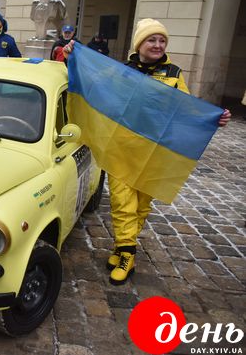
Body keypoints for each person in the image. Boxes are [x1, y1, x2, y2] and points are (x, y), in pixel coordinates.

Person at [62, 18, 232, 285]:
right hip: (122, 148)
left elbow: (186, 107)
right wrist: (72, 57)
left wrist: (213, 118)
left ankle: (122, 247)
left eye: (162, 40)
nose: (158, 44)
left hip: (155, 152)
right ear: (139, 44)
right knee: (122, 203)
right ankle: (128, 254)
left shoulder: (174, 73)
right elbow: (93, 80)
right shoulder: (123, 71)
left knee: (142, 206)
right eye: (152, 39)